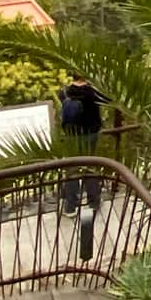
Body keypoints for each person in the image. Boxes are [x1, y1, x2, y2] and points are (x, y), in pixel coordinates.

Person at [58, 73, 109, 215]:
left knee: (72, 170)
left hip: (72, 136)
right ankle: (94, 202)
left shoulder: (64, 92)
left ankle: (70, 206)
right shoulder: (93, 94)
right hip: (90, 135)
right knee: (89, 166)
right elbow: (109, 100)